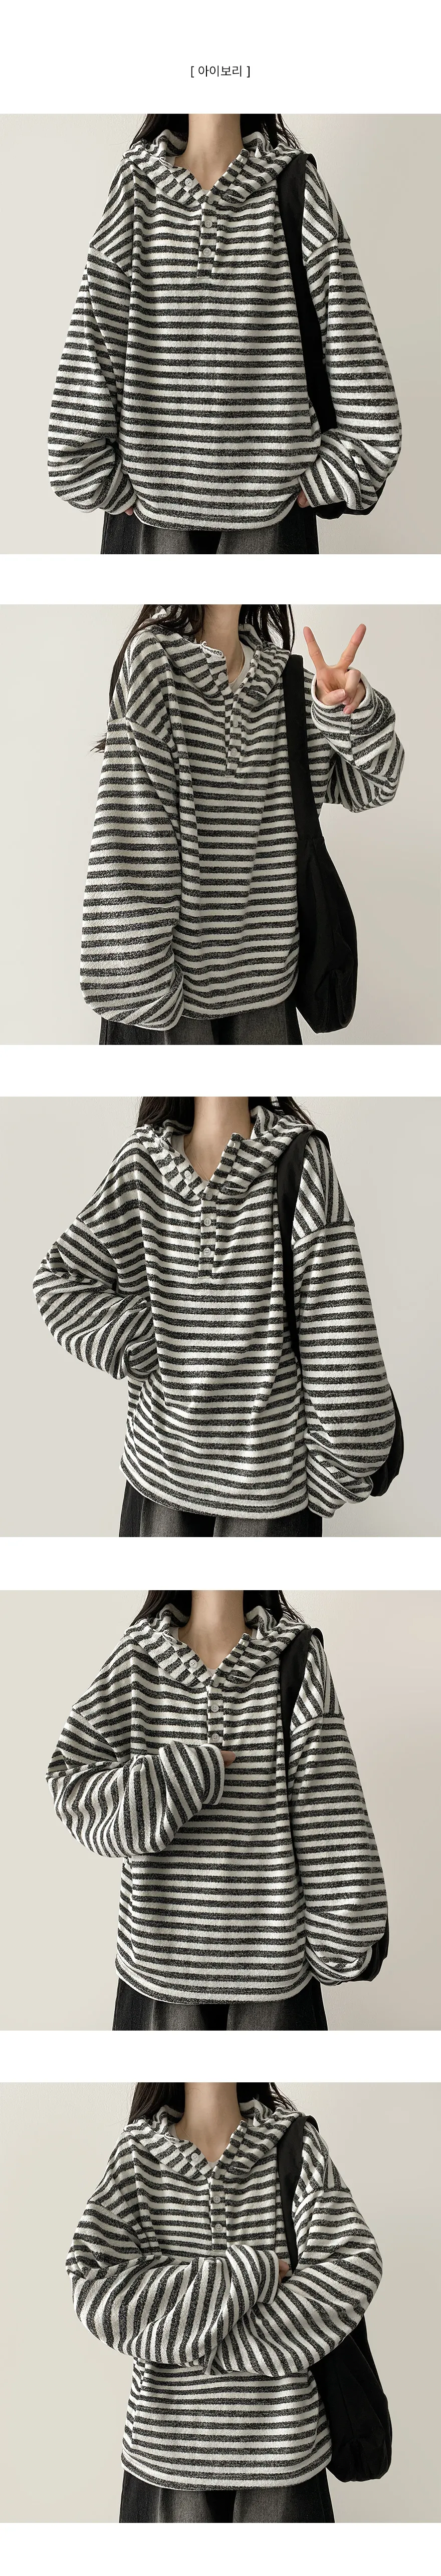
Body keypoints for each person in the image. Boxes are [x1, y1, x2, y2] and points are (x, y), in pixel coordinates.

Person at [33, 1093, 403, 1537]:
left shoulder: (296, 1161)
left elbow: (350, 1377)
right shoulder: (142, 1163)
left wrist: (321, 1486)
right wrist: (144, 1336)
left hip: (222, 1491)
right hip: (209, 1487)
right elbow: (58, 1281)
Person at [48, 113, 402, 556]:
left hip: (271, 521)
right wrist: (99, 479)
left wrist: (320, 482)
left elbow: (367, 395)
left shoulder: (296, 188)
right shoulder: (136, 189)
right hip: (150, 522)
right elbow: (88, 362)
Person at [48, 1586, 389, 2031]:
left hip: (271, 1986)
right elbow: (71, 1785)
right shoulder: (136, 1660)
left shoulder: (297, 1659)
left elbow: (328, 1813)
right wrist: (179, 1776)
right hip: (159, 1979)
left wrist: (342, 1943)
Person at [81, 603, 404, 1046]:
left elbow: (375, 785)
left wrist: (351, 710)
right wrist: (144, 997)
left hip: (269, 993)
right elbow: (132, 841)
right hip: (170, 999)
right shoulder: (155, 664)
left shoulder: (291, 687)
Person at [67, 2078, 385, 2520]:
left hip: (285, 2456)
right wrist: (248, 2273)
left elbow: (353, 2266)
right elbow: (94, 2284)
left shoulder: (296, 2144)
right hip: (166, 2459)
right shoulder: (137, 2156)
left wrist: (206, 2340)